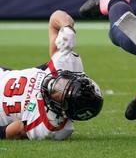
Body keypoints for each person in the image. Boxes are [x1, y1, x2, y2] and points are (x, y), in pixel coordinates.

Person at [0, 10, 103, 140]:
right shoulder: (67, 66)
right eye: (65, 83)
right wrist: (67, 28)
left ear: (64, 109)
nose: (57, 86)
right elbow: (56, 17)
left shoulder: (53, 126)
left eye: (61, 93)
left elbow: (11, 132)